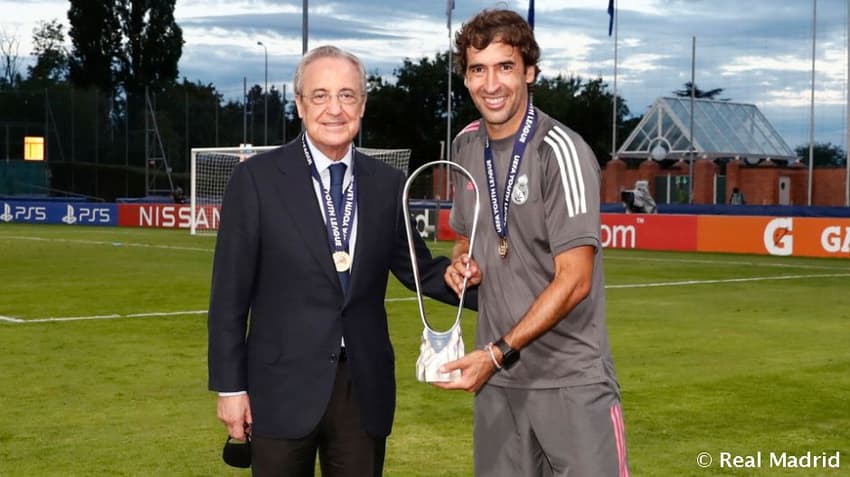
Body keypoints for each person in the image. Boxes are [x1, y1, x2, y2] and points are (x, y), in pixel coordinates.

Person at [207, 45, 478, 477]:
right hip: (279, 388)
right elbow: (228, 296)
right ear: (299, 104)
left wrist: (475, 280)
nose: (335, 109)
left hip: (362, 388)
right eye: (320, 96)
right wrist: (230, 387)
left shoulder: (388, 185)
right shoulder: (255, 180)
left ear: (363, 105)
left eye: (347, 95)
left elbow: (419, 270)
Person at [440, 9, 630, 477]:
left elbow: (575, 281)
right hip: (499, 385)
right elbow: (465, 240)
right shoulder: (465, 146)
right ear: (465, 79)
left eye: (505, 66)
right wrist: (463, 263)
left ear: (529, 72)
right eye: (477, 70)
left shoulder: (559, 151)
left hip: (570, 381)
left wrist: (497, 352)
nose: (491, 84)